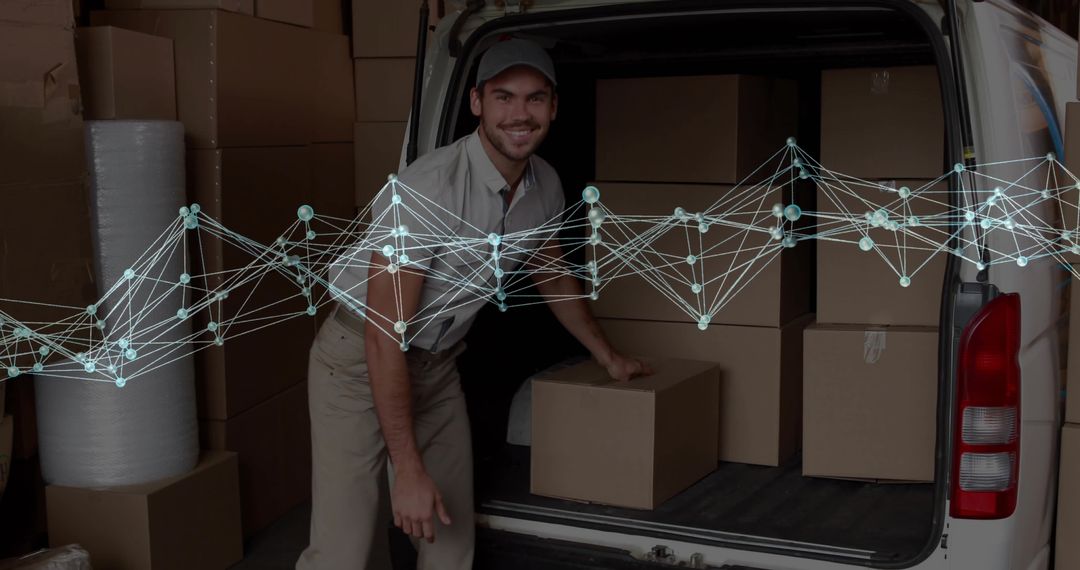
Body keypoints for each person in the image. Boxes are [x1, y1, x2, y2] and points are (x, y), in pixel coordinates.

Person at [297, 38, 650, 570]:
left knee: (450, 535)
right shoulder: (428, 189)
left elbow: (551, 275)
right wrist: (408, 468)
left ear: (553, 107)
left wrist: (608, 356)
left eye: (535, 99)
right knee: (345, 551)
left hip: (436, 366)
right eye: (504, 97)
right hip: (357, 361)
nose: (520, 114)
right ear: (477, 103)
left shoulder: (545, 185)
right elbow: (382, 335)